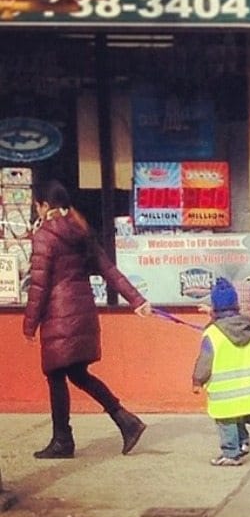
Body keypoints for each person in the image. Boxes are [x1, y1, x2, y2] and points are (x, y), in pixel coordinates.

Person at [23, 180, 151, 459]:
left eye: (38, 205)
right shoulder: (80, 229)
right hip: (82, 315)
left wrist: (29, 324)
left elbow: (39, 286)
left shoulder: (46, 235)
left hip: (59, 316)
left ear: (44, 205)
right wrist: (137, 300)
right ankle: (124, 421)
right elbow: (109, 270)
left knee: (57, 375)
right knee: (76, 373)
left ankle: (63, 440)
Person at [192, 277, 250, 466]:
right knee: (238, 415)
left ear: (215, 308)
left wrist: (197, 380)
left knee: (226, 421)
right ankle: (242, 444)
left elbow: (205, 360)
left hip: (223, 390)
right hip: (248, 385)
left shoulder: (213, 333)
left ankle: (230, 453)